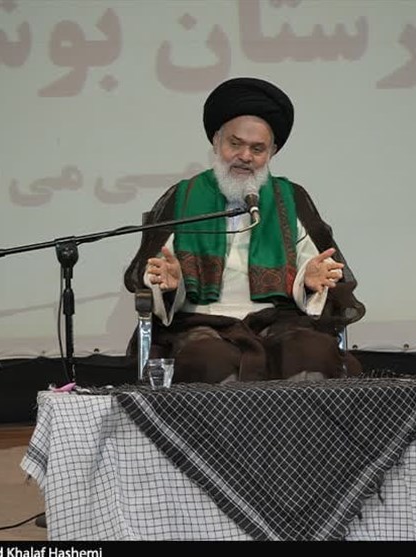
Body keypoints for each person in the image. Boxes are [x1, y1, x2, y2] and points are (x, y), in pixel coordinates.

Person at [123, 77, 365, 383]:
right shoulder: (185, 197)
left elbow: (314, 265)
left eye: (257, 148)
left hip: (277, 321)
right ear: (216, 141)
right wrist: (170, 283)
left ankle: (299, 419)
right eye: (235, 144)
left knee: (311, 352)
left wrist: (307, 280)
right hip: (203, 322)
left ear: (272, 152)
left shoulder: (289, 198)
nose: (245, 156)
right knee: (209, 359)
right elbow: (156, 268)